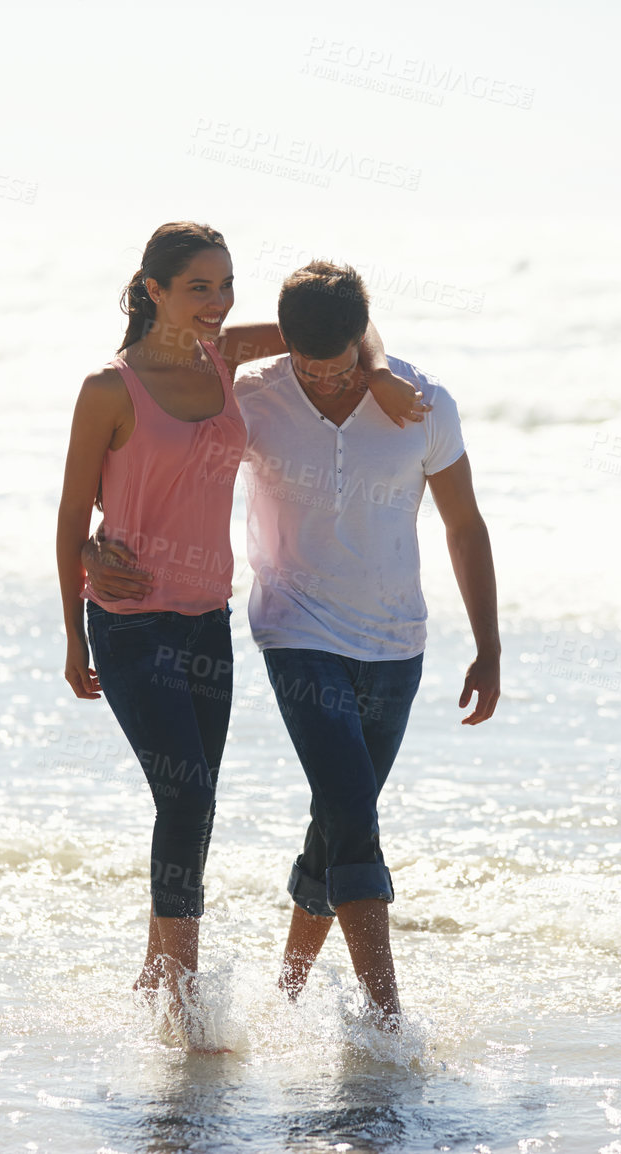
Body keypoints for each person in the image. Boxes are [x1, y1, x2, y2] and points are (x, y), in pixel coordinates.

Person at [83, 260, 500, 1029]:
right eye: (303, 357)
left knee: (342, 814)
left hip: (396, 640)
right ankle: (386, 1023)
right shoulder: (253, 394)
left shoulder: (422, 401)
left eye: (334, 358)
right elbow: (159, 453)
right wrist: (95, 544)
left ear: (359, 339)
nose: (315, 372)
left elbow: (463, 524)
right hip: (294, 627)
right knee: (349, 808)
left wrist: (489, 644)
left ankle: (289, 990)